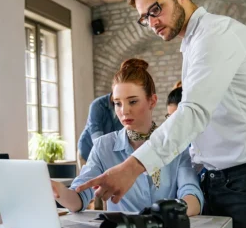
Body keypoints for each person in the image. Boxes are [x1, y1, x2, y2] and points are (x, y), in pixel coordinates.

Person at [77, 0, 246, 228]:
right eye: (144, 17)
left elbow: (192, 113)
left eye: (155, 9)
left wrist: (131, 167)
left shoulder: (216, 34)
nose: (152, 21)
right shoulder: (191, 44)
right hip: (218, 179)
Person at [53, 58, 203, 215]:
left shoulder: (175, 142)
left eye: (132, 101)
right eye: (118, 103)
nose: (124, 111)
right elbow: (80, 196)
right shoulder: (104, 146)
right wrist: (59, 192)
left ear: (152, 101)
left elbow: (192, 193)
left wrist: (170, 214)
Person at [77, 93, 123, 168]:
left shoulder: (123, 108)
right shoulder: (97, 105)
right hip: (87, 151)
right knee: (89, 179)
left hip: (106, 155)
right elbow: (96, 137)